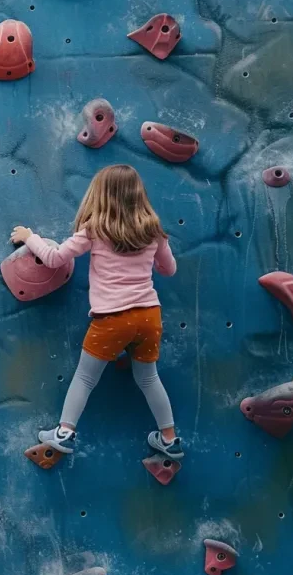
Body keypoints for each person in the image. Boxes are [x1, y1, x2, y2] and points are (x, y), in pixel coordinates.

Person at [11, 164, 183, 460]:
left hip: (113, 319)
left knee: (85, 378)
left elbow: (53, 258)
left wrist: (29, 237)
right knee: (149, 378)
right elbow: (169, 270)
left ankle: (64, 433)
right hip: (148, 316)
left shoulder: (94, 229)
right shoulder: (153, 230)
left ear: (100, 195)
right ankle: (169, 438)